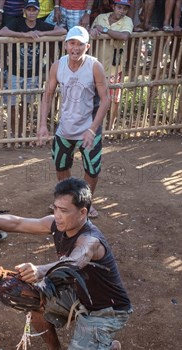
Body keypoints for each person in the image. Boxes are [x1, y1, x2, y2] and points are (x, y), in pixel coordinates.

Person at [0, 177, 132, 350]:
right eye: (55, 208)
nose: (57, 216)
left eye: (64, 210)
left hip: (107, 309)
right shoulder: (56, 224)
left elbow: (75, 261)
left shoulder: (90, 240)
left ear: (83, 212)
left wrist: (40, 270)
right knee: (33, 297)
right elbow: (18, 222)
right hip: (77, 293)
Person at [38, 26, 110, 218]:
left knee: (92, 169)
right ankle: (67, 202)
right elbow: (48, 94)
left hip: (88, 126)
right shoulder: (58, 65)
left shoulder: (95, 66)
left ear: (88, 46)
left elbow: (106, 99)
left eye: (80, 44)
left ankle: (85, 203)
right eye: (72, 43)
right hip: (65, 126)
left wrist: (93, 130)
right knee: (61, 165)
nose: (75, 48)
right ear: (65, 45)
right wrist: (43, 125)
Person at [0, 0, 66, 135]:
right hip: (14, 71)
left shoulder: (41, 25)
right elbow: (3, 31)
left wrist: (42, 34)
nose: (31, 13)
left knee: (26, 104)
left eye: (34, 10)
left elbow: (62, 30)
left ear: (38, 11)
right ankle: (14, 133)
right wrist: (23, 35)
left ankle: (22, 132)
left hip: (33, 73)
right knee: (12, 104)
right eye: (29, 10)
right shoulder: (17, 22)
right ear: (24, 11)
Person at [90, 0, 133, 130]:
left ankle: (110, 127)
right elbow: (92, 30)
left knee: (114, 98)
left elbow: (124, 36)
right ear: (113, 6)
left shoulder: (127, 21)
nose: (122, 11)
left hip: (115, 65)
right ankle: (94, 125)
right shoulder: (100, 17)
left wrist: (104, 30)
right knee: (94, 96)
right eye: (119, 7)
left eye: (125, 9)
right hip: (97, 63)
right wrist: (94, 31)